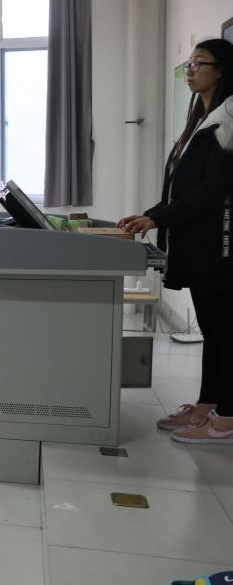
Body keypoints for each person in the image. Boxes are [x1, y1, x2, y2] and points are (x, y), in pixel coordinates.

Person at [119, 38, 233, 445]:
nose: (190, 70)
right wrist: (150, 213)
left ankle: (228, 417)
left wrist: (159, 217)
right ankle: (209, 404)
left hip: (218, 247)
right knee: (213, 331)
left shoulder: (228, 119)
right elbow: (181, 188)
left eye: (199, 63)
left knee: (225, 332)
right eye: (189, 63)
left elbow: (213, 190)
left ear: (222, 70)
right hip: (197, 245)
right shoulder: (202, 119)